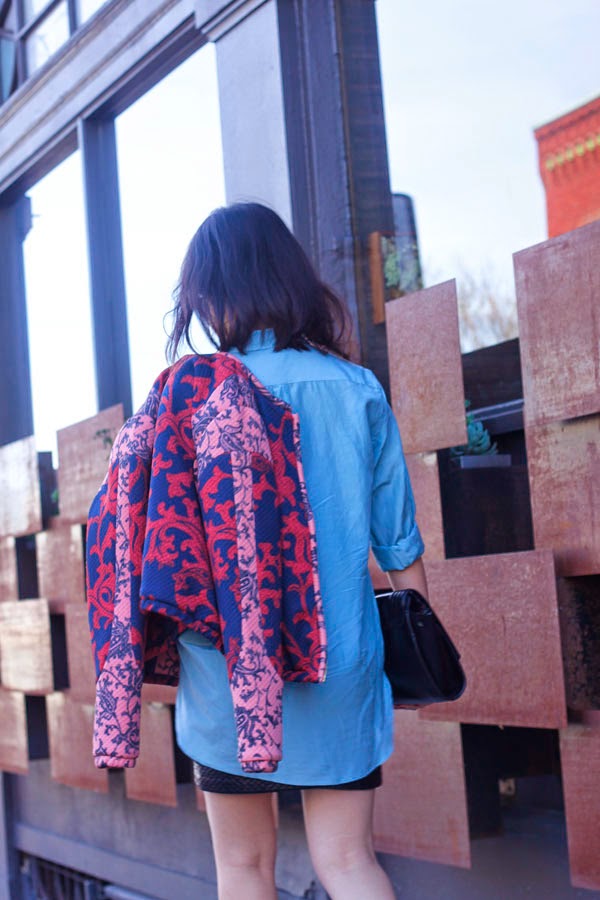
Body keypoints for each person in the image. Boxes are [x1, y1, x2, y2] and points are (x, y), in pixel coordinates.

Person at [167, 201, 428, 900]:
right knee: (349, 862)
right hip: (340, 661)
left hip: (225, 670)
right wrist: (414, 654)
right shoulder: (355, 388)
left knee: (242, 868)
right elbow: (399, 544)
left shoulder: (187, 399)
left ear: (210, 295)